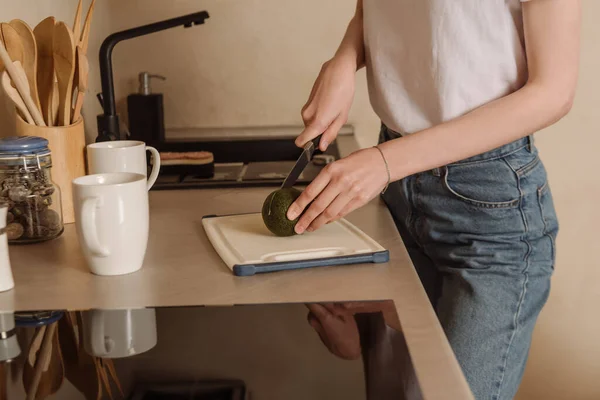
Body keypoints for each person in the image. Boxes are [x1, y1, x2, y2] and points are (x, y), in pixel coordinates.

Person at [291, 1, 581, 399]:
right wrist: (344, 59)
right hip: (398, 192)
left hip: (489, 215)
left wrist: (384, 162)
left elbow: (553, 93)